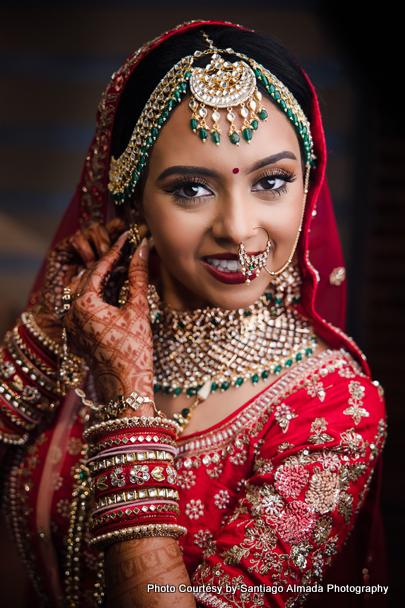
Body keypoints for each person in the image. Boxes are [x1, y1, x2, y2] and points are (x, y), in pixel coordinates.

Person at [0, 20, 387, 608]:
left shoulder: (333, 408)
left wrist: (127, 398)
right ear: (133, 198)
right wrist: (48, 333)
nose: (236, 229)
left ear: (309, 187)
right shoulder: (87, 328)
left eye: (273, 181)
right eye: (191, 189)